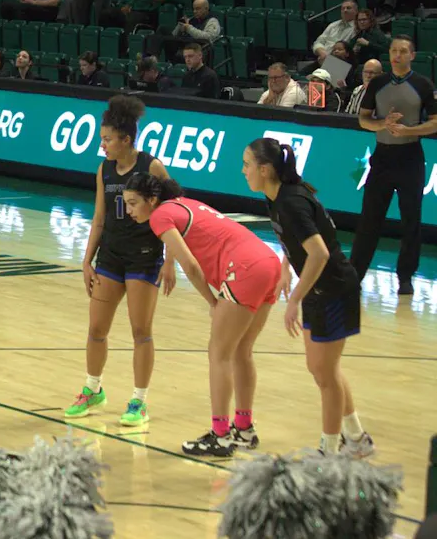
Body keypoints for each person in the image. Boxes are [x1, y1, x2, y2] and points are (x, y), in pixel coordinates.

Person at [125, 173, 282, 458]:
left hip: (244, 268)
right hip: (267, 261)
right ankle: (244, 429)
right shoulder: (184, 204)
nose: (129, 211)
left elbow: (192, 267)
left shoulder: (160, 216)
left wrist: (213, 301)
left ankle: (220, 435)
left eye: (133, 203)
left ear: (152, 200)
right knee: (241, 351)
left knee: (219, 353)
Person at [242, 139, 376, 457]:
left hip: (334, 289)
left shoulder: (291, 201)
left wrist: (293, 300)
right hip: (319, 289)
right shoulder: (275, 198)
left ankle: (329, 451)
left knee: (324, 373)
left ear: (264, 169)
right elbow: (297, 240)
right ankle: (357, 439)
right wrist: (287, 267)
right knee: (320, 370)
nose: (243, 171)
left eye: (247, 164)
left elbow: (318, 252)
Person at [66, 96, 172, 427]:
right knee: (97, 328)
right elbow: (98, 217)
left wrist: (170, 261)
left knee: (141, 330)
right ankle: (92, 389)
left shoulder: (152, 167)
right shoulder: (104, 169)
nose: (103, 145)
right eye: (102, 139)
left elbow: (175, 214)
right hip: (110, 255)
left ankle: (139, 401)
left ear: (126, 139)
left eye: (107, 139)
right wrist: (87, 261)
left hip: (144, 257)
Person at [350, 35, 436, 295]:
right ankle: (354, 273)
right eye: (393, 51)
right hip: (382, 157)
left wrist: (410, 130)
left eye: (402, 51)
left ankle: (406, 278)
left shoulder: (422, 84)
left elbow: (435, 121)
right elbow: (364, 120)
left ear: (412, 55)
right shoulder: (377, 83)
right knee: (369, 219)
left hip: (410, 157)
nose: (397, 55)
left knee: (411, 221)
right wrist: (383, 125)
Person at [311, 0, 359, 65]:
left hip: (340, 63)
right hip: (322, 59)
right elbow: (318, 42)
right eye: (343, 8)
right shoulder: (333, 25)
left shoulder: (357, 28)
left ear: (356, 11)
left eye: (348, 8)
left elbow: (352, 52)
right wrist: (322, 52)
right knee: (302, 73)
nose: (345, 10)